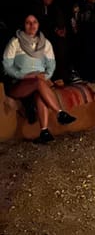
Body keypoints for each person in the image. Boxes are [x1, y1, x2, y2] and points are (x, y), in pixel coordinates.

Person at [2, 13, 76, 143]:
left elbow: (51, 66)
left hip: (38, 82)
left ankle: (44, 132)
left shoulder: (45, 43)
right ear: (24, 25)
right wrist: (24, 75)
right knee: (37, 81)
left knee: (39, 90)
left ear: (38, 24)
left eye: (34, 22)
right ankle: (59, 112)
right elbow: (6, 65)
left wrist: (45, 76)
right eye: (28, 22)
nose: (31, 25)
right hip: (19, 84)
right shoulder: (15, 42)